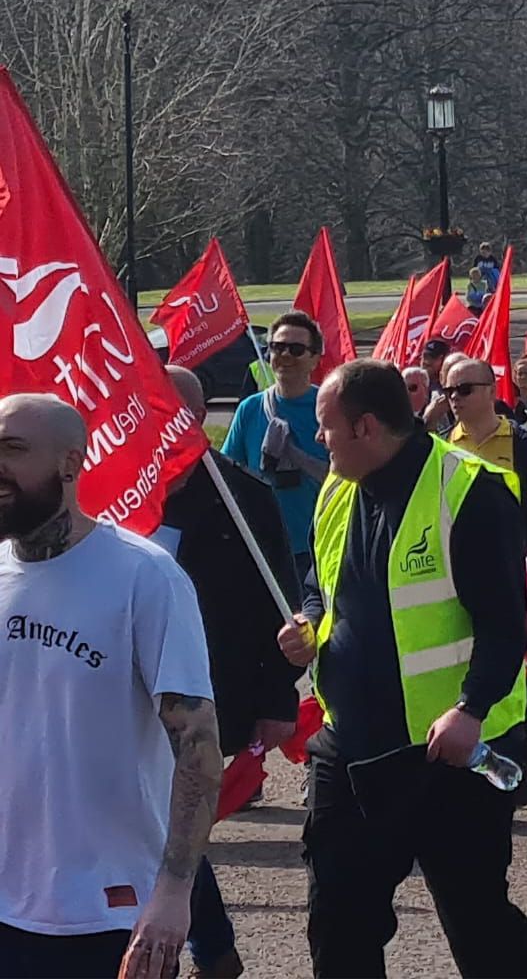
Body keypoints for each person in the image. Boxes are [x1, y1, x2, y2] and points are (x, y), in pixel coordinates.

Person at [276, 361, 527, 977]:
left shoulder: (472, 490)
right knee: (337, 922)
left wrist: (472, 708)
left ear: (366, 426)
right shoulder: (338, 489)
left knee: (478, 921)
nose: (318, 440)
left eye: (326, 427)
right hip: (348, 751)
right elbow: (321, 587)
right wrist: (307, 627)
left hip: (445, 756)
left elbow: (506, 625)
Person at [0, 393, 222, 979]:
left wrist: (175, 892)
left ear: (71, 463)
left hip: (108, 911)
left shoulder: (143, 575)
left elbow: (197, 745)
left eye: (13, 449)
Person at [161, 368, 303, 979]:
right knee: (156, 819)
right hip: (132, 687)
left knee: (169, 820)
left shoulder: (245, 496)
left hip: (213, 690)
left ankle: (207, 950)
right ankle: (209, 949)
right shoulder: (115, 490)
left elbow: (281, 606)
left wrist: (277, 700)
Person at [221, 309, 330, 592]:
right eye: (277, 348)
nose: (284, 356)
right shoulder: (251, 409)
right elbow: (230, 472)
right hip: (264, 545)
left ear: (315, 358)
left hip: (319, 545)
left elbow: (347, 477)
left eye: (296, 349)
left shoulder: (329, 407)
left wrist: (294, 455)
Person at [441, 355, 527, 545]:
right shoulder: (440, 445)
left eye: (464, 389)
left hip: (514, 562)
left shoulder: (525, 446)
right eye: (448, 391)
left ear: (492, 392)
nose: (454, 397)